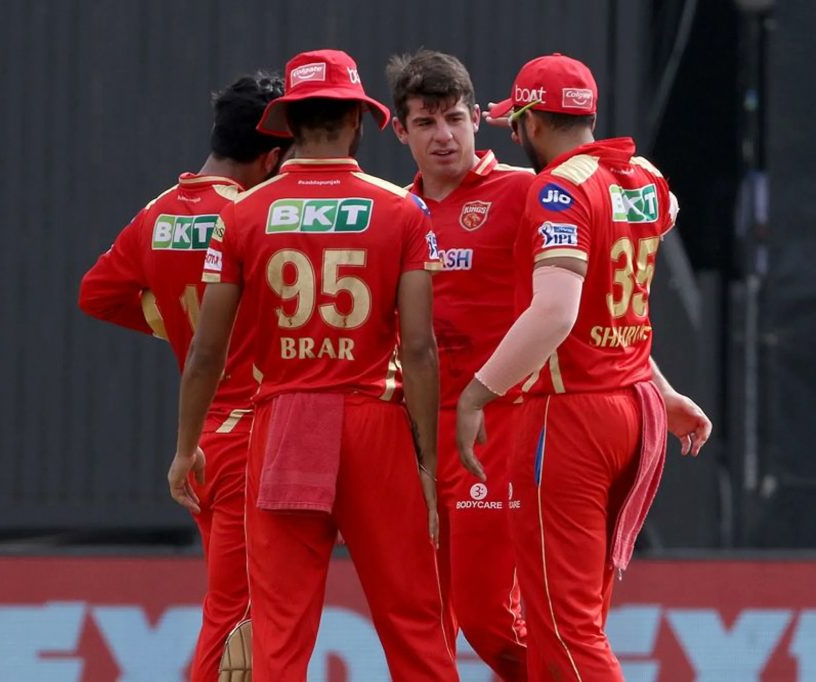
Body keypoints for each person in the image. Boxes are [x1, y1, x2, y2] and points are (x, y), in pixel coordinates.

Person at [168, 48, 458, 682]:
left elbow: (207, 352)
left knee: (278, 634)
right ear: (357, 119)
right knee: (415, 624)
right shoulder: (402, 210)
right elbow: (419, 349)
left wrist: (187, 447)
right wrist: (428, 463)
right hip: (373, 425)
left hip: (283, 426)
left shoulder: (241, 214)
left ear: (289, 124)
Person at [456, 53, 713, 680]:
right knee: (576, 622)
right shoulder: (645, 177)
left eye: (518, 124)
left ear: (531, 122)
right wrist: (664, 391)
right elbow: (615, 303)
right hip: (635, 406)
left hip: (570, 418)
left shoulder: (558, 190)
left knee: (564, 628)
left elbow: (556, 313)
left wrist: (476, 394)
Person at [78, 73, 290, 682]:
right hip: (252, 432)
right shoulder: (254, 216)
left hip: (205, 441)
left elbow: (97, 294)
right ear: (272, 158)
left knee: (244, 610)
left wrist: (178, 324)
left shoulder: (157, 213)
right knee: (239, 612)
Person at [387, 49, 530, 680]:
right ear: (401, 131)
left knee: (488, 620)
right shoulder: (392, 210)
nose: (443, 135)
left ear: (477, 118)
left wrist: (657, 388)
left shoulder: (526, 192)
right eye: (426, 122)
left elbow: (585, 301)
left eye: (454, 118)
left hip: (497, 427)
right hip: (413, 434)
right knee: (424, 623)